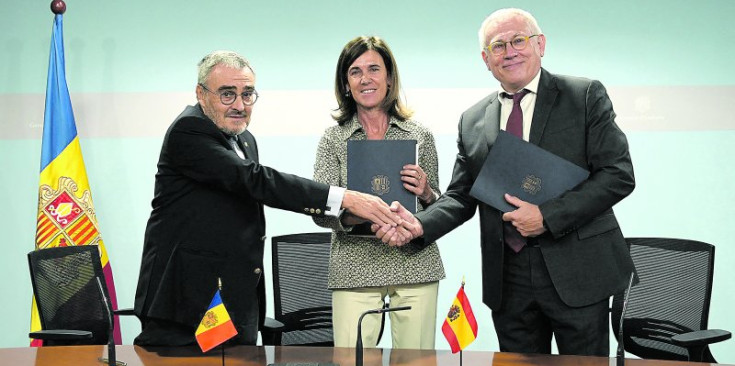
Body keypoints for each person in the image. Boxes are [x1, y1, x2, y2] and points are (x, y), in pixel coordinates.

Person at [377, 8, 635, 356]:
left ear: (540, 44)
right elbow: (462, 195)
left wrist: (546, 216)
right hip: (508, 278)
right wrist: (418, 225)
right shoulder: (472, 120)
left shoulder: (584, 95)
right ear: (486, 59)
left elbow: (618, 175)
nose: (510, 51)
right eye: (498, 46)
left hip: (578, 270)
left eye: (519, 40)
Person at [133, 50, 402, 347]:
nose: (239, 105)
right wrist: (344, 198)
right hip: (186, 302)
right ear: (201, 93)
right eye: (227, 94)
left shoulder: (243, 138)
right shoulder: (188, 131)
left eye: (247, 94)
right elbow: (255, 179)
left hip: (235, 301)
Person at [312, 36, 445, 349]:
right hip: (354, 267)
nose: (365, 78)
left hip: (415, 262)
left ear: (389, 78)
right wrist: (369, 215)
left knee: (416, 362)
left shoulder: (420, 135)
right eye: (355, 72)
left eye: (374, 69)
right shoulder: (332, 140)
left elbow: (440, 208)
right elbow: (321, 210)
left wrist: (427, 193)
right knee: (351, 360)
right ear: (346, 84)